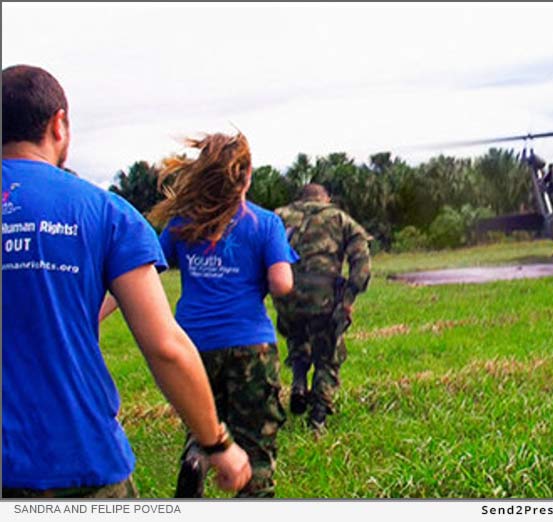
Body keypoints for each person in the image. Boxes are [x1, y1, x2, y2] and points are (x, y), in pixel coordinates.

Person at [2, 65, 251, 498]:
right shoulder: (105, 213)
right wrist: (217, 442)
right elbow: (165, 347)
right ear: (58, 123)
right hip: (79, 464)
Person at [148, 132, 297, 498]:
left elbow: (147, 269)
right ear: (246, 176)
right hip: (251, 345)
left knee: (203, 422)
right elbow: (282, 283)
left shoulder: (182, 223)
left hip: (193, 346)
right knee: (255, 443)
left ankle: (196, 458)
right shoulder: (265, 223)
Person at [273, 184, 371, 432]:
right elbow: (361, 258)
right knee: (328, 356)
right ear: (326, 198)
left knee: (297, 337)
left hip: (287, 297)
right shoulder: (338, 217)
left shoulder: (279, 216)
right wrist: (349, 296)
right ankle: (317, 418)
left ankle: (297, 382)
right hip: (324, 299)